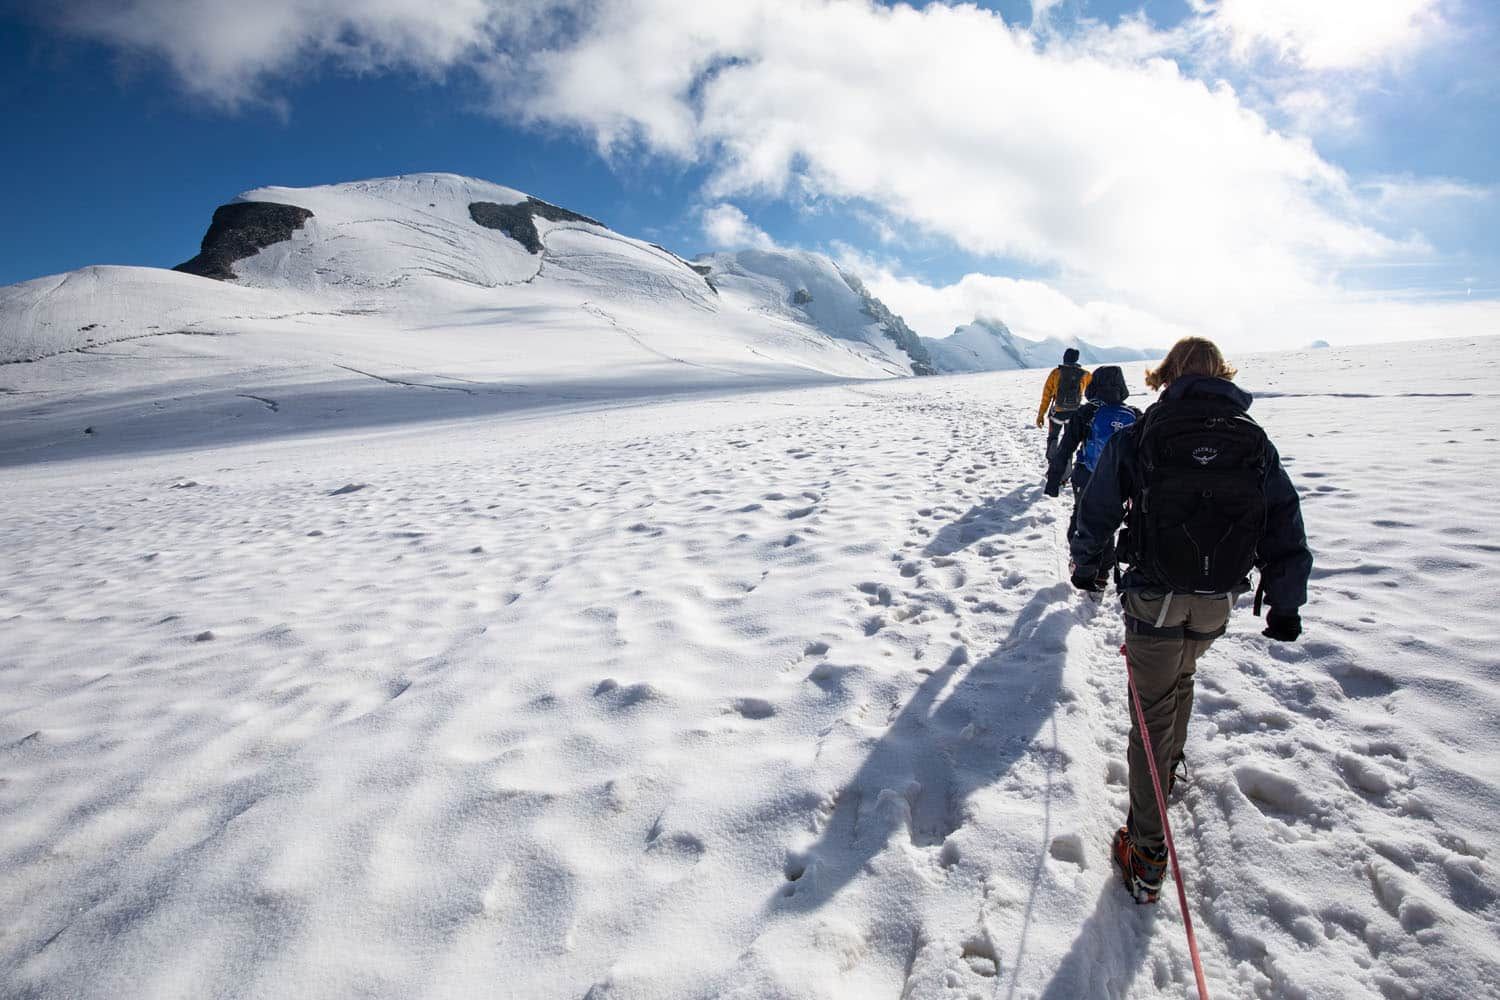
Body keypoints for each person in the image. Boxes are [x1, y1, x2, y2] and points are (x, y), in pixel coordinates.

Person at [1068, 337, 1311, 904]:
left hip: (1154, 596)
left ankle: (1147, 853)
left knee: (1149, 715)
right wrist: (1286, 599)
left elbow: (1098, 510)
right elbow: (1284, 520)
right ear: (1222, 376)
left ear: (1167, 377)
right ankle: (1168, 771)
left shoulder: (1142, 435)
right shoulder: (1252, 441)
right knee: (1182, 678)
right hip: (1218, 599)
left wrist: (1088, 562)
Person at [1043, 365, 1142, 587]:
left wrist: (1053, 481)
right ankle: (1102, 573)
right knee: (1109, 522)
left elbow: (1065, 449)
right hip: (1122, 481)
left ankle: (1086, 567)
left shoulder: (1086, 412)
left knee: (1083, 521)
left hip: (1088, 477)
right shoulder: (1134, 414)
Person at [1035, 348, 1091, 459]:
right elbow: (1092, 393)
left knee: (1053, 438)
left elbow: (1046, 396)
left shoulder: (1056, 373)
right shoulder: (1085, 374)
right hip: (1074, 414)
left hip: (1057, 413)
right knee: (1068, 442)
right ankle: (1066, 469)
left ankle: (1052, 465)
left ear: (1064, 358)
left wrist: (1041, 414)